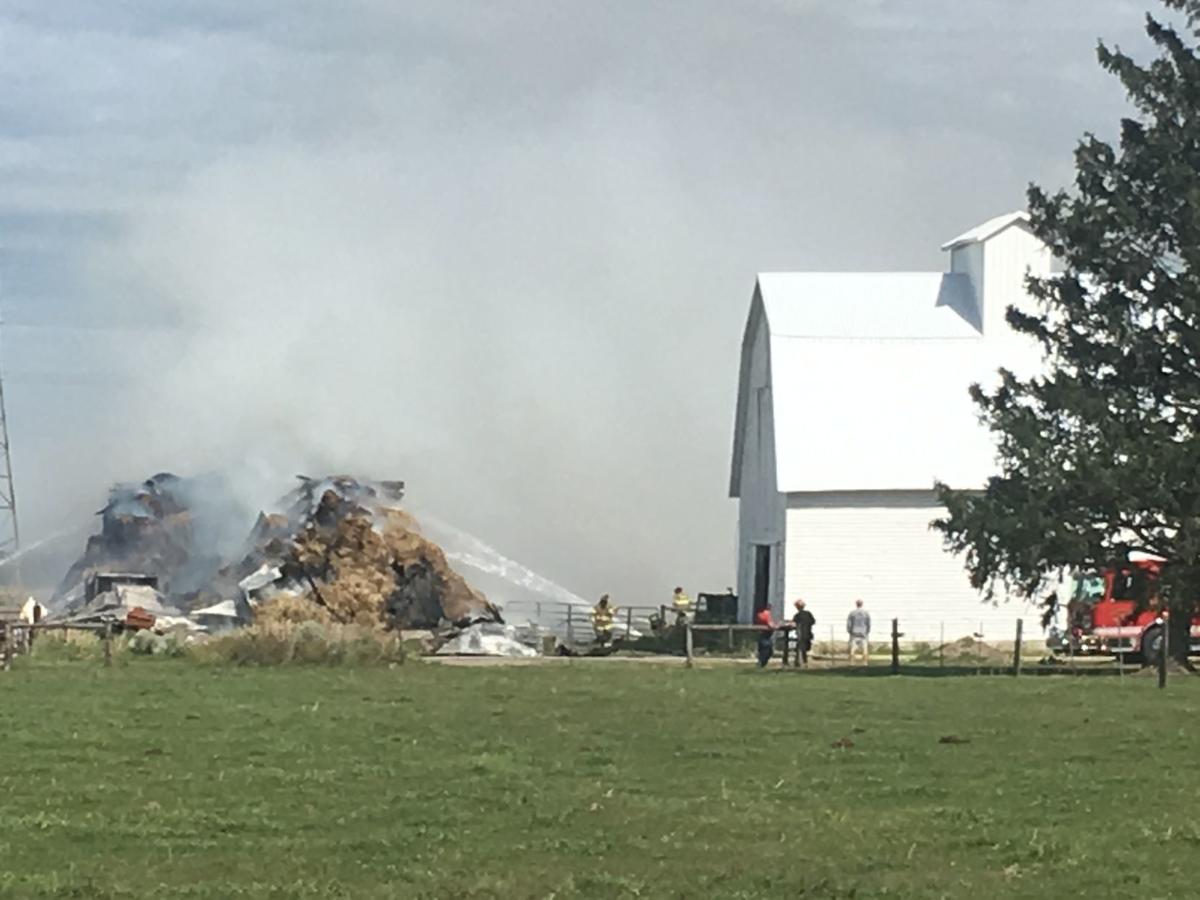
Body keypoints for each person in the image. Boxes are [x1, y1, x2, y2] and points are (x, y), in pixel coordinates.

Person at [792, 599, 815, 667]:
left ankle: (799, 662)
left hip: (801, 633)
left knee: (800, 648)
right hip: (808, 633)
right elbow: (813, 621)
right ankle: (804, 662)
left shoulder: (797, 615)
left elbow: (793, 624)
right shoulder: (808, 614)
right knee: (804, 648)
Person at [847, 599, 871, 664]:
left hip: (854, 632)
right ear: (862, 604)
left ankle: (851, 662)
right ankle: (865, 662)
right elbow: (868, 623)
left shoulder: (852, 613)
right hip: (863, 632)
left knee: (852, 649)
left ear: (856, 604)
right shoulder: (866, 613)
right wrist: (867, 631)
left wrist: (849, 631)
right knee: (865, 649)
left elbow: (849, 624)